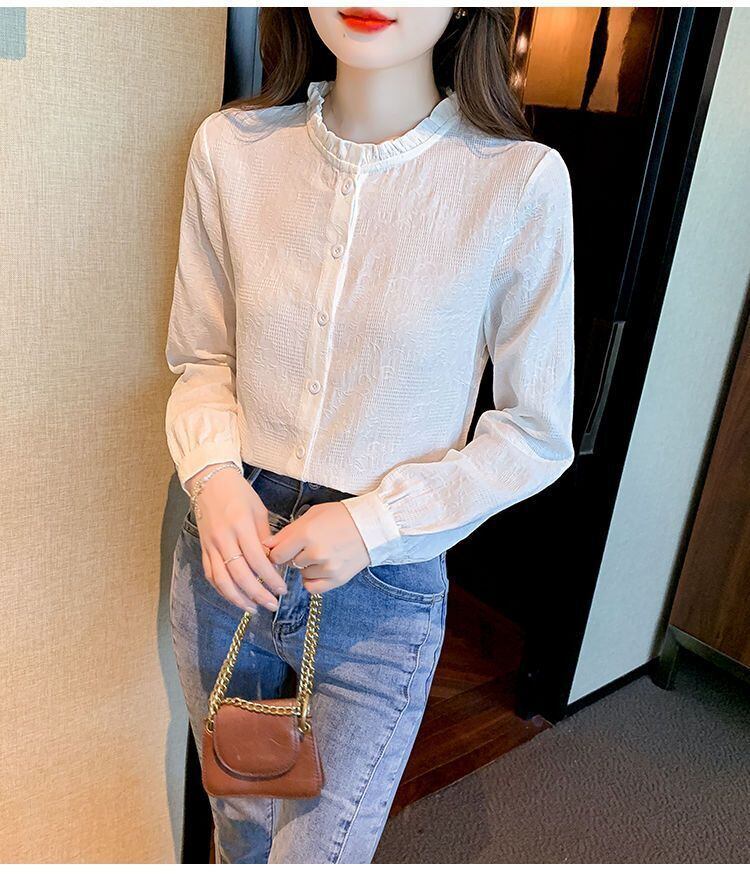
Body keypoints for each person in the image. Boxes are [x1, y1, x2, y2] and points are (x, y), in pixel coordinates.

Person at [165, 6, 575, 865]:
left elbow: (535, 432)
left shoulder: (518, 182)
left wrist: (374, 521)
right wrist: (213, 477)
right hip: (228, 552)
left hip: (384, 588)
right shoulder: (232, 150)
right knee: (237, 830)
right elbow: (201, 357)